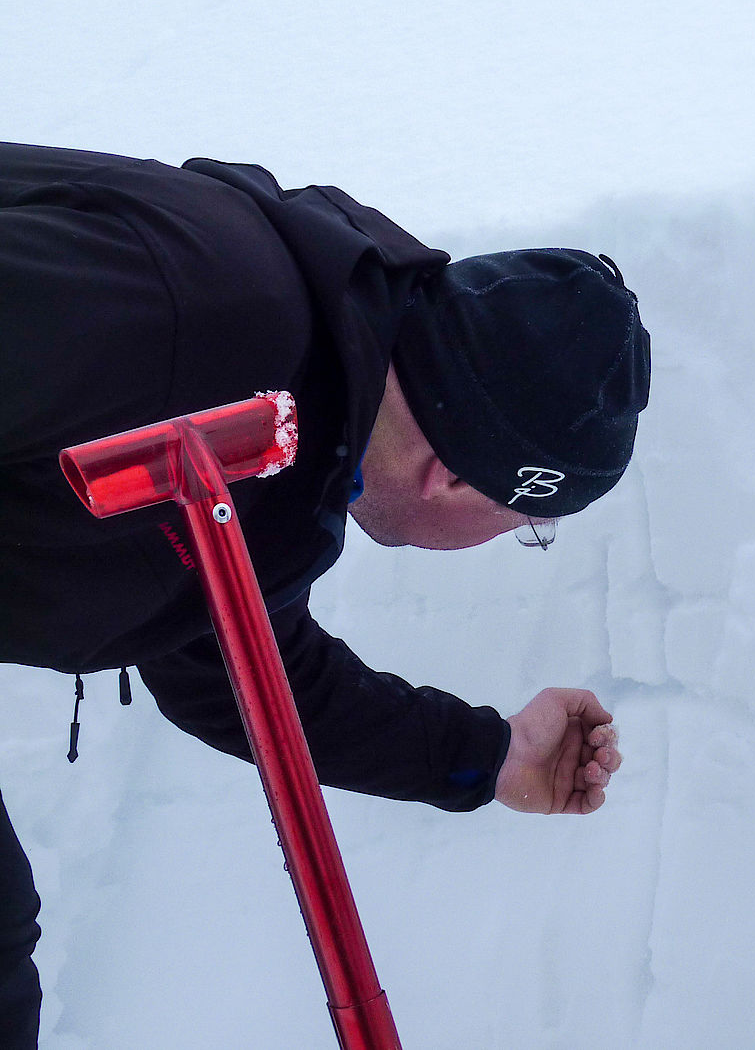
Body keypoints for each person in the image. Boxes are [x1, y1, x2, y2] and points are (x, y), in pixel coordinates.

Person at [0, 141, 650, 1046]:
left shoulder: (297, 420)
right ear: (455, 480)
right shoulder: (201, 310)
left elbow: (237, 671)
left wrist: (491, 754)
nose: (512, 540)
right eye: (529, 522)